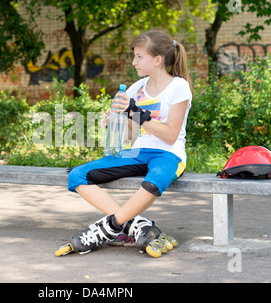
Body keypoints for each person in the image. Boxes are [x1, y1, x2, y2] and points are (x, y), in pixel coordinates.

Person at [59, 30, 193, 257]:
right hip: (138, 152)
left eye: (139, 57)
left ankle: (107, 228)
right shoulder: (136, 88)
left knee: (157, 178)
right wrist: (116, 122)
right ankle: (137, 227)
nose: (134, 62)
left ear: (157, 60)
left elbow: (171, 135)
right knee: (77, 175)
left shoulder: (178, 87)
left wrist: (135, 111)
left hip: (168, 154)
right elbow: (130, 136)